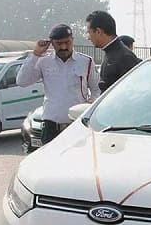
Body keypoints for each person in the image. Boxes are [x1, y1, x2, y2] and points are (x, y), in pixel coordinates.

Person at [16, 23, 100, 152]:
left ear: (73, 40)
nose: (64, 47)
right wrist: (36, 54)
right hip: (51, 128)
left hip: (76, 126)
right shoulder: (44, 62)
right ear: (52, 44)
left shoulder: (86, 62)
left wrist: (91, 102)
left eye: (67, 42)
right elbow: (22, 81)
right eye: (59, 43)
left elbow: (96, 88)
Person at [85, 10, 141, 93]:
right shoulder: (112, 53)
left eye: (89, 33)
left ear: (98, 32)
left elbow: (133, 92)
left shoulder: (124, 57)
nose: (88, 37)